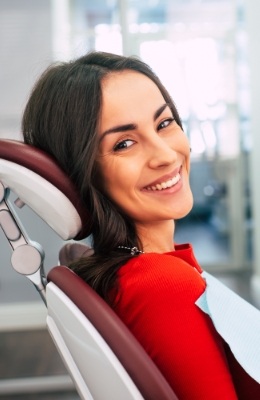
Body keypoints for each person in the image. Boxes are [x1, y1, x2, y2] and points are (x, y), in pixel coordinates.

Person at [22, 51, 260, 399]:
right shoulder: (161, 286)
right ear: (82, 173)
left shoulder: (144, 273)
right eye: (124, 144)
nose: (165, 154)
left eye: (164, 123)